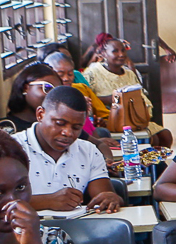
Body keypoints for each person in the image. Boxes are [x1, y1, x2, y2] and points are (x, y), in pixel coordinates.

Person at [14, 86, 123, 214]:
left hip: (75, 226)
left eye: (76, 127)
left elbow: (103, 197)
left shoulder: (88, 151)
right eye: (60, 123)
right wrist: (48, 201)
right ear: (40, 115)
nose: (68, 133)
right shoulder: (11, 149)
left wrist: (111, 199)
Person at [82, 35, 171, 146]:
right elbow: (87, 99)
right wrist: (112, 99)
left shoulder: (129, 73)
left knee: (165, 135)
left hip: (133, 118)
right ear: (104, 54)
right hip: (109, 120)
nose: (121, 54)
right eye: (115, 51)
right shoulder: (92, 73)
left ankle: (158, 158)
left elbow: (140, 95)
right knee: (153, 140)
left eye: (123, 50)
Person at [0, 62, 61, 133]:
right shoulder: (7, 128)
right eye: (47, 88)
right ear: (25, 88)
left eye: (57, 91)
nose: (52, 95)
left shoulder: (55, 126)